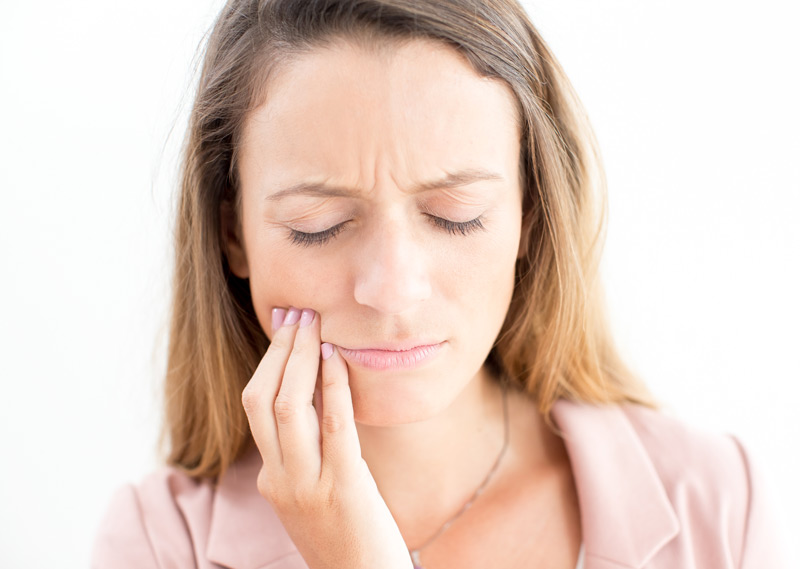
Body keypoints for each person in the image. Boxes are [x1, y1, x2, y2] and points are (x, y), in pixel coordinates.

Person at [92, 0, 787, 567]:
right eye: (318, 224)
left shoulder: (715, 503)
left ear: (529, 217)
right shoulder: (158, 545)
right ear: (232, 235)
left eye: (456, 216)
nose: (394, 290)